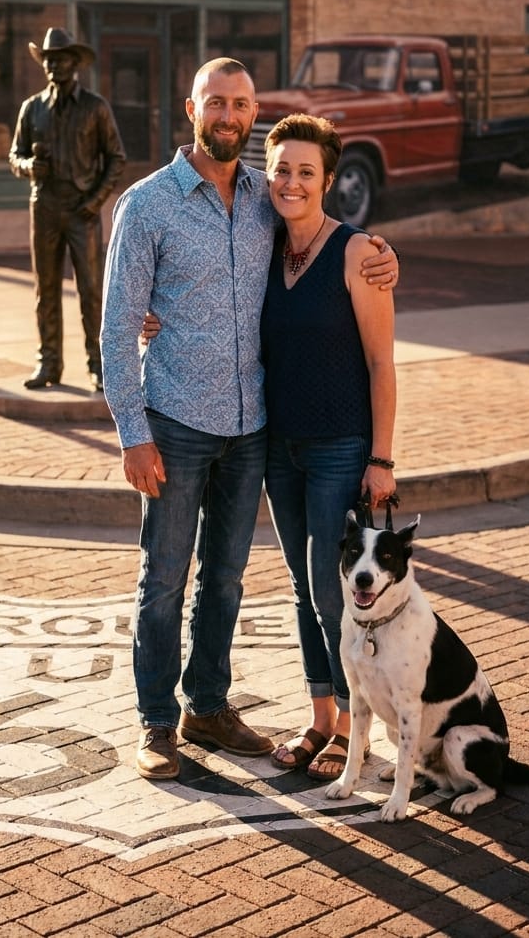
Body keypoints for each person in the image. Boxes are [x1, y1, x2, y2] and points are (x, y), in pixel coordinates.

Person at [100, 58, 399, 781]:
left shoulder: (269, 199)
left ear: (252, 112)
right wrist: (132, 432)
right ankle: (157, 722)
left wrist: (385, 255)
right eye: (216, 102)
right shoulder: (147, 205)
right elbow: (115, 328)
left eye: (240, 103)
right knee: (163, 576)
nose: (228, 114)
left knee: (227, 577)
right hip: (173, 419)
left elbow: (331, 233)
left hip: (252, 427)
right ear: (191, 106)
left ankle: (208, 703)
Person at [261, 113, 396, 782]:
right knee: (300, 585)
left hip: (341, 448)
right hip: (277, 449)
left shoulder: (358, 254)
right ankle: (321, 716)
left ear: (329, 179)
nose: (290, 181)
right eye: (281, 168)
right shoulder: (264, 247)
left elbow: (381, 363)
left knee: (332, 590)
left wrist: (383, 459)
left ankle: (354, 724)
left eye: (305, 171)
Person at [9, 27, 126, 392]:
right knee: (45, 289)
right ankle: (48, 362)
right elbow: (15, 155)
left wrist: (95, 202)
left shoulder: (95, 108)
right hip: (44, 206)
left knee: (90, 290)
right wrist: (29, 167)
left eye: (59, 59)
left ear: (75, 63)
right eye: (47, 60)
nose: (52, 65)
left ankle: (99, 364)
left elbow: (116, 158)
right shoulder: (32, 108)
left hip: (82, 210)